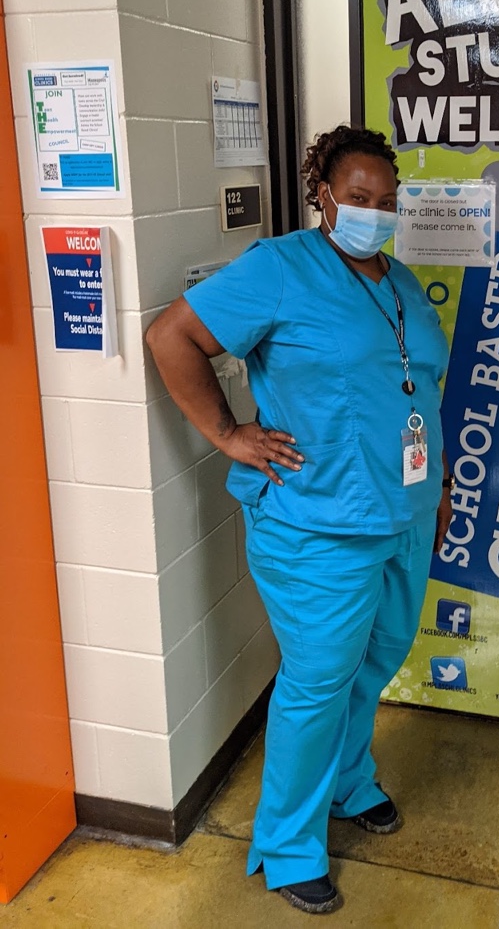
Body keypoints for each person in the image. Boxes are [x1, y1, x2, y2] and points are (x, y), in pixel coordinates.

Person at [146, 125, 453, 915]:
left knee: (376, 661)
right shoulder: (280, 269)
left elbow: (417, 392)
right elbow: (171, 335)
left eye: (386, 201)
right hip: (316, 525)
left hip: (405, 514)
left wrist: (438, 496)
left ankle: (351, 782)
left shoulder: (401, 283)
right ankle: (287, 845)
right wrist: (227, 432)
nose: (375, 213)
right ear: (322, 194)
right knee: (318, 681)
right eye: (358, 198)